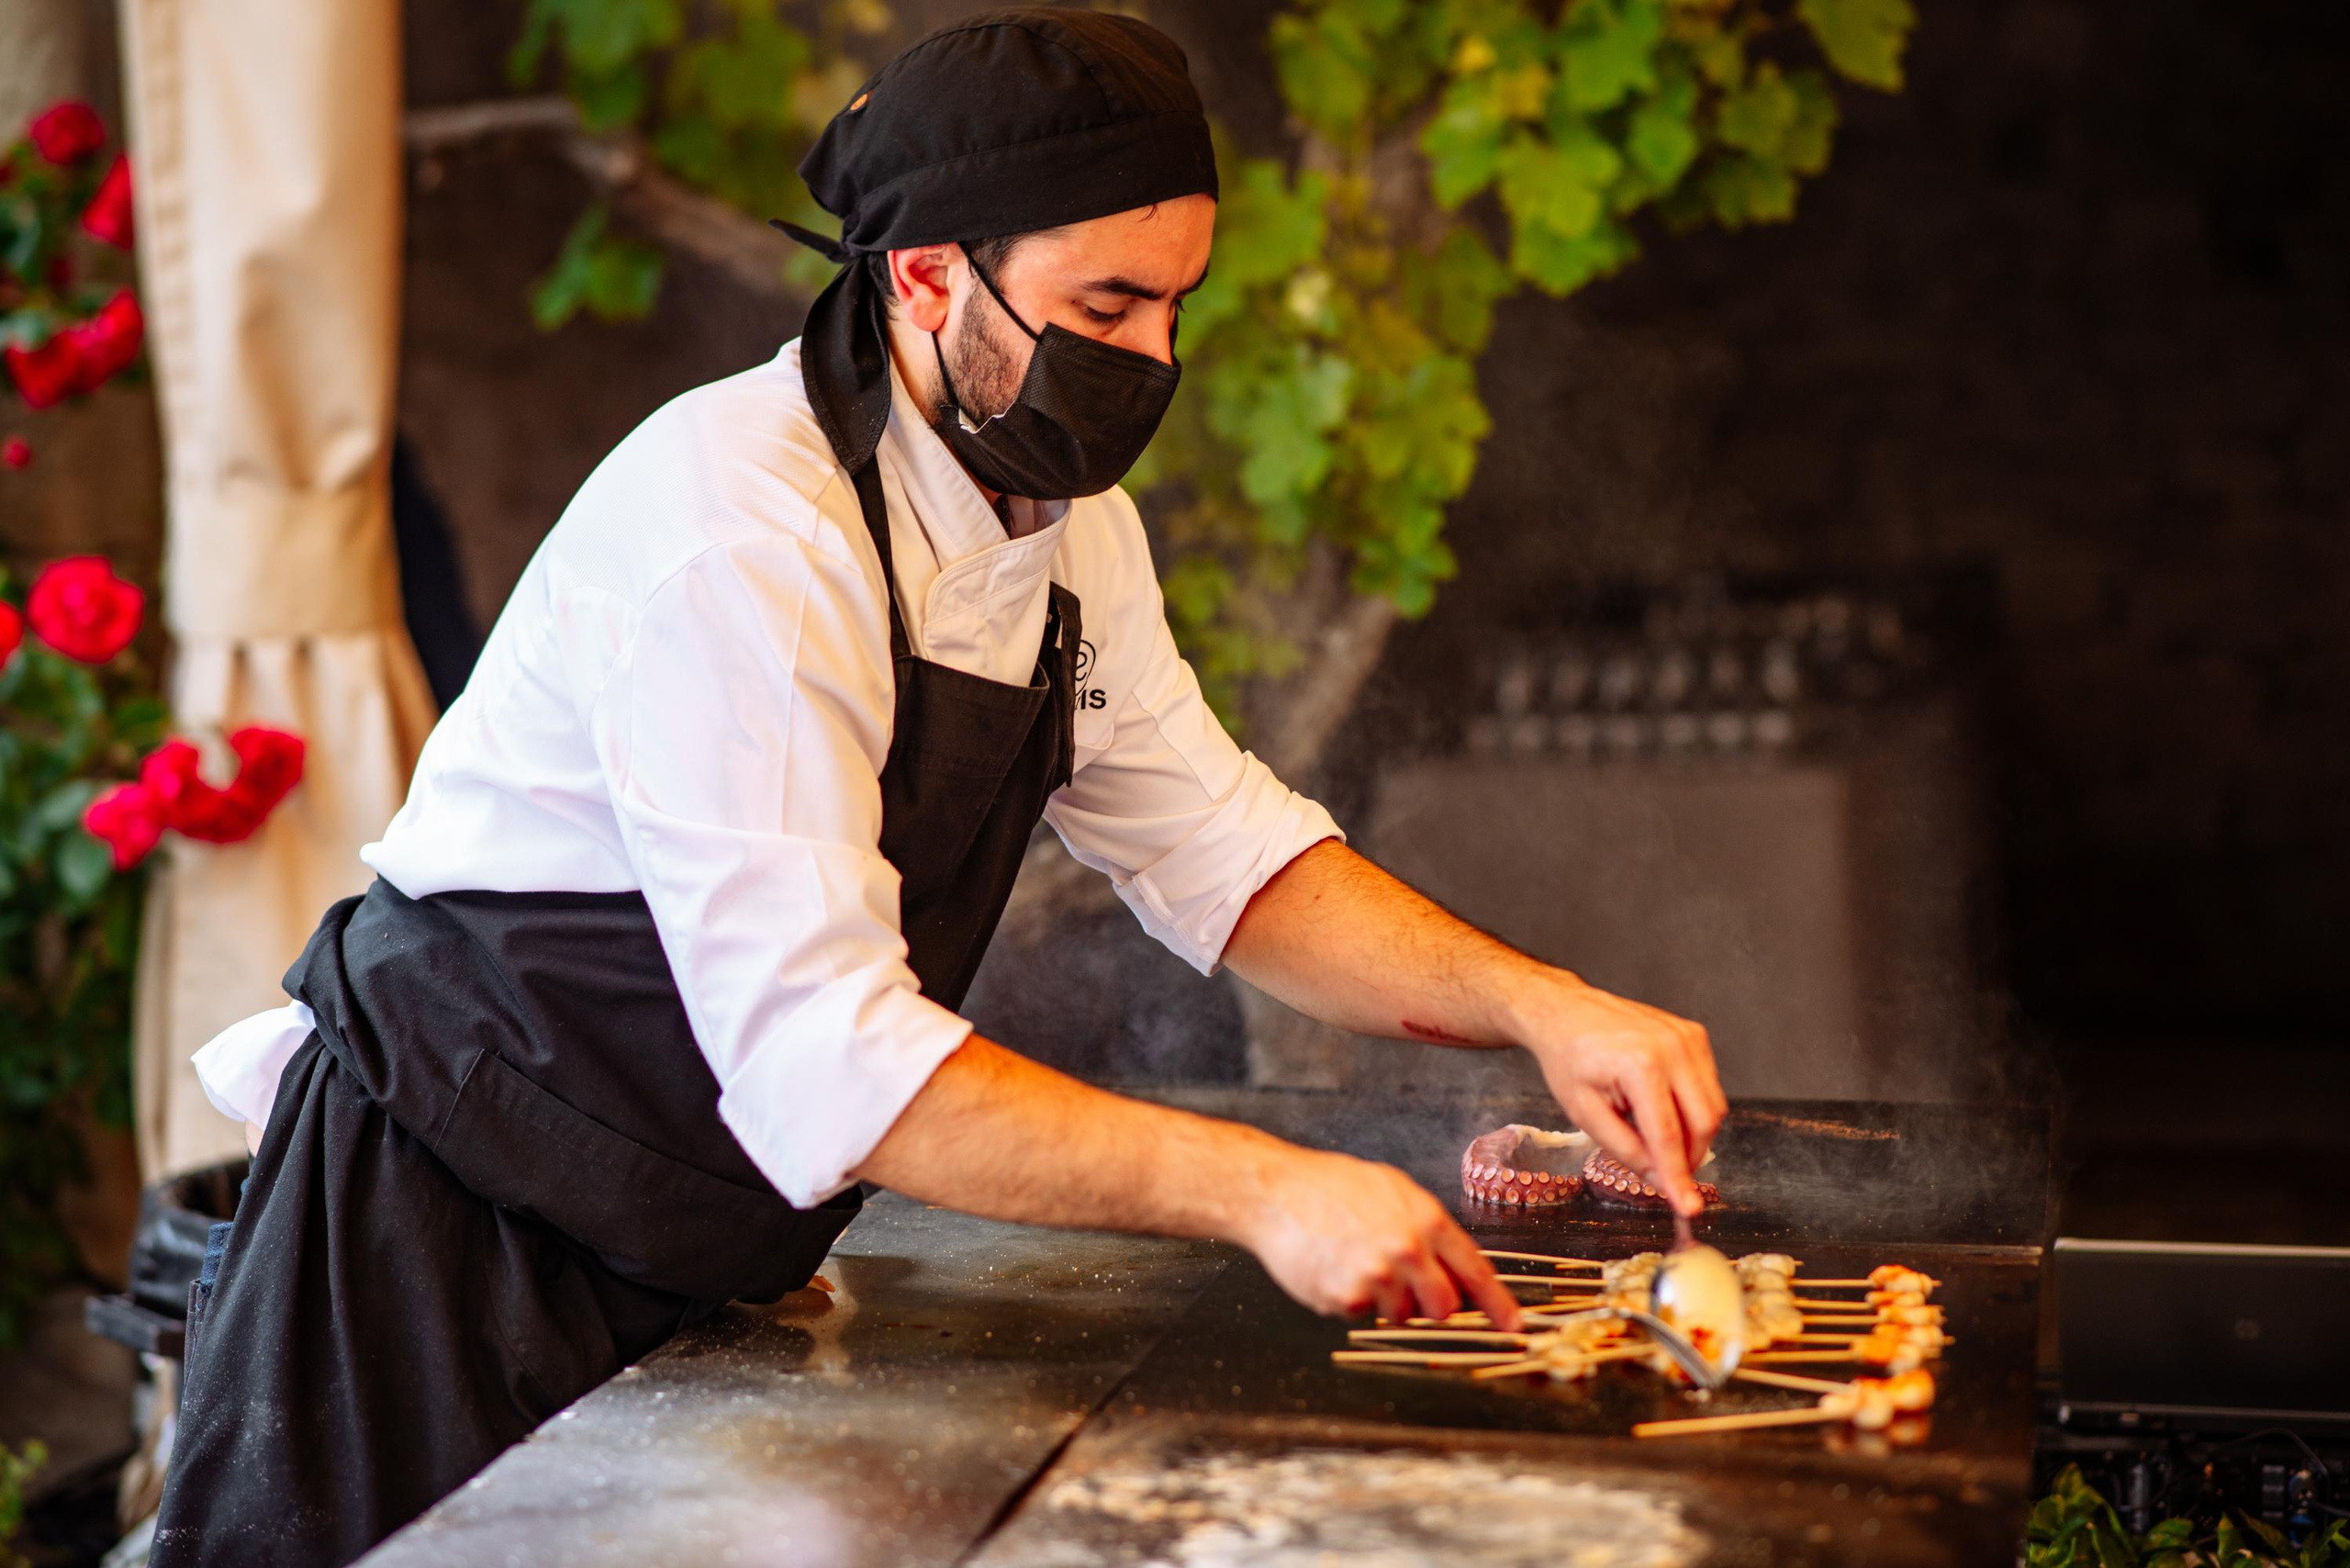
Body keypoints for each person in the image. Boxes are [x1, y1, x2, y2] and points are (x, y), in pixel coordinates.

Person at [149, 11, 1725, 1565]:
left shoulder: (1060, 526)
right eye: (1106, 305)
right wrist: (1265, 1193)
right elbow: (829, 1063)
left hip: (692, 1250)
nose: (1154, 359)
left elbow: (1228, 857)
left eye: (1177, 306)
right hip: (437, 1264)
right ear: (922, 273)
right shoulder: (747, 533)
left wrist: (1541, 1004)